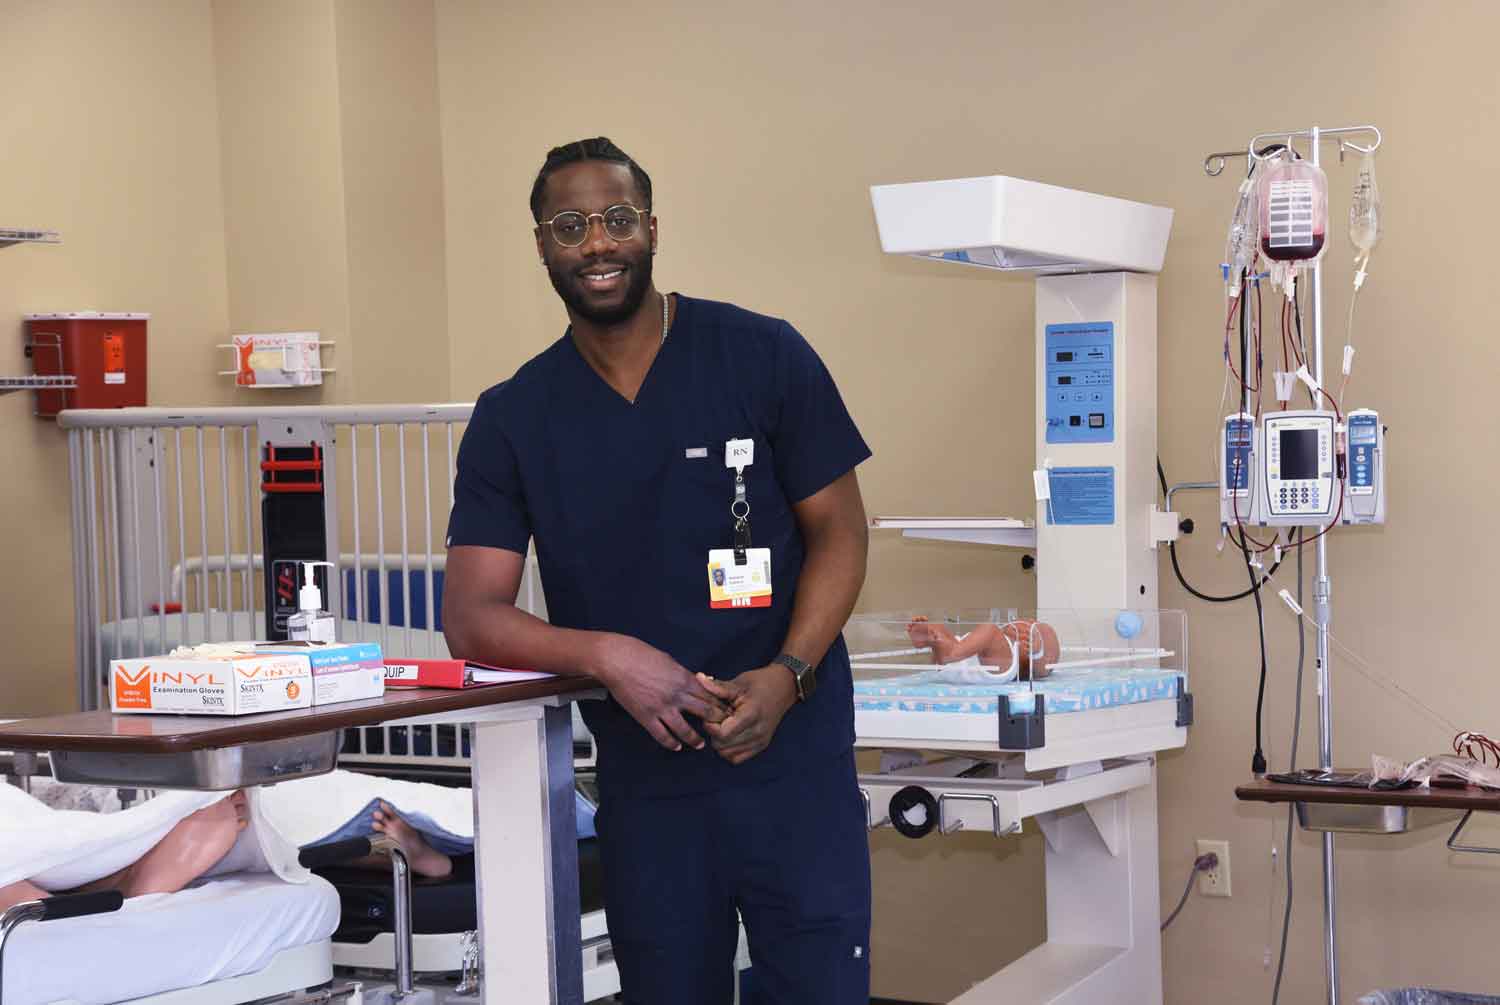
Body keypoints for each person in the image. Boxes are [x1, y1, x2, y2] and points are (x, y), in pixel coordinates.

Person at [443, 137, 873, 1004]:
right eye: (570, 225)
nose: (596, 243)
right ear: (541, 244)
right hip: (650, 785)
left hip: (793, 764)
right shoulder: (515, 415)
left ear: (651, 228)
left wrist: (789, 675)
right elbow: (473, 613)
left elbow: (842, 534)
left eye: (616, 218)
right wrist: (607, 655)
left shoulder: (761, 355)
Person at [905, 615, 1061, 679]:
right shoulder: (995, 639)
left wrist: (1037, 650)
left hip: (997, 668)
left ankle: (942, 647)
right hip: (958, 661)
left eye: (1032, 625)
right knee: (943, 633)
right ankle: (935, 642)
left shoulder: (1012, 651)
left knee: (990, 630)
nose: (1026, 625)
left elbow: (1042, 671)